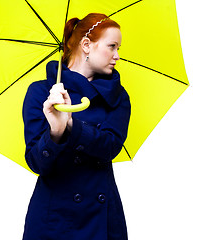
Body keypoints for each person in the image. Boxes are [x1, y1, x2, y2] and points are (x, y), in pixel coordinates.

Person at [22, 13, 131, 240]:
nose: (117, 56)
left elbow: (111, 146)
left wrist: (72, 126)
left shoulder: (118, 97)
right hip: (53, 219)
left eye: (118, 48)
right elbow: (36, 162)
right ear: (86, 45)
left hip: (101, 219)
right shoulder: (42, 92)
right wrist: (56, 131)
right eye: (112, 46)